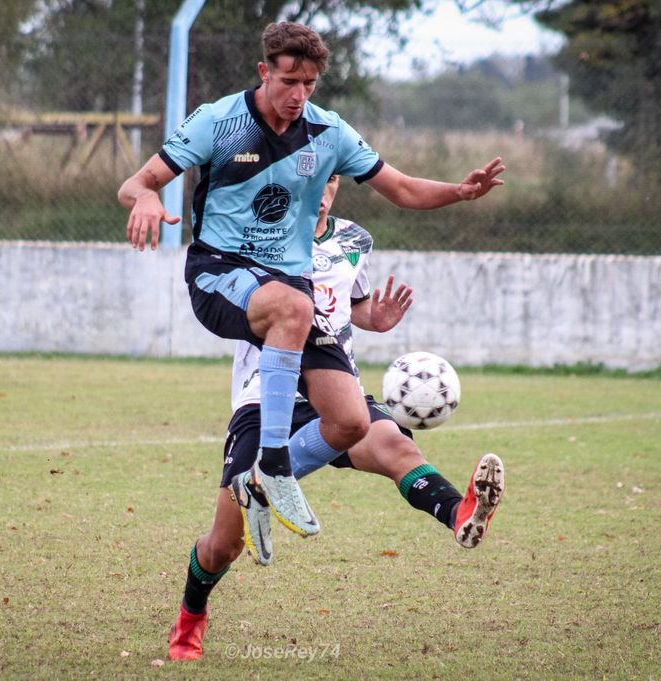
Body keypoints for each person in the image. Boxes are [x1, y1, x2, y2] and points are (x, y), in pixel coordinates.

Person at [118, 22, 504, 548]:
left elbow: (404, 188)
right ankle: (274, 465)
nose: (299, 95)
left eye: (310, 85)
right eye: (289, 81)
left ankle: (259, 483)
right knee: (293, 308)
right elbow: (138, 183)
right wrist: (143, 198)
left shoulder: (328, 132)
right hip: (218, 275)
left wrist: (459, 191)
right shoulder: (219, 122)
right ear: (264, 72)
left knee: (349, 420)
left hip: (287, 293)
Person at [166, 174, 506, 661]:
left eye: (329, 180)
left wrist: (375, 318)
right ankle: (189, 620)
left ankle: (461, 514)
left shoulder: (353, 240)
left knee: (394, 446)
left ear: (337, 185)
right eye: (309, 180)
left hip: (334, 389)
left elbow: (350, 305)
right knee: (225, 543)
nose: (320, 190)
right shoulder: (262, 237)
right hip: (266, 394)